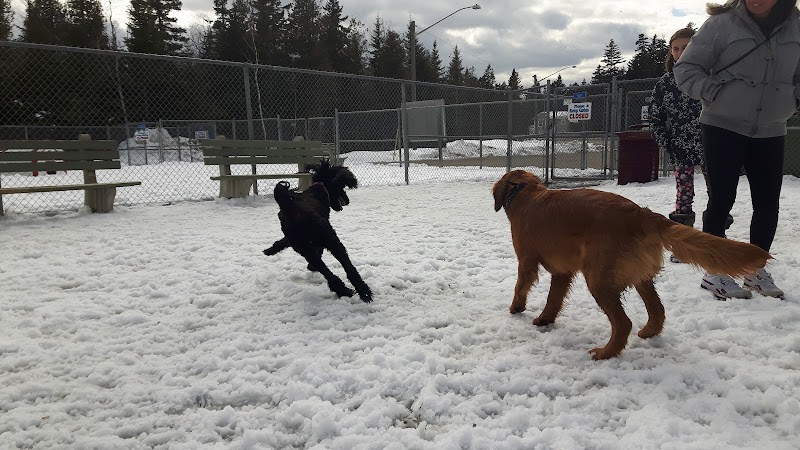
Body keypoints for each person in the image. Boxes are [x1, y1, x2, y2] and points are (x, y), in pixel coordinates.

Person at [673, 0, 798, 299]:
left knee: (768, 202)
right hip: (722, 125)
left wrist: (793, 101)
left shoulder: (796, 26)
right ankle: (715, 272)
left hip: (771, 127)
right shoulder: (720, 24)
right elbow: (686, 69)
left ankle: (755, 268)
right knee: (721, 199)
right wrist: (715, 93)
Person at [650, 28, 705, 263]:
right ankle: (684, 245)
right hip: (681, 146)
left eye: (686, 47)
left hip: (712, 143)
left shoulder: (709, 75)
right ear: (670, 52)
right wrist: (667, 142)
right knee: (684, 194)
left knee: (720, 193)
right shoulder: (665, 83)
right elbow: (655, 118)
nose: (680, 52)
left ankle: (716, 239)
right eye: (676, 48)